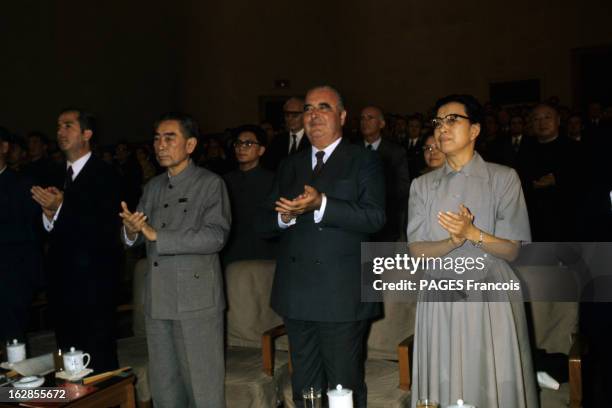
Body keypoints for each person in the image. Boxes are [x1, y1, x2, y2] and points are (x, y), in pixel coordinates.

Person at [257, 86, 385, 407]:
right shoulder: (290, 164)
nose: (313, 115)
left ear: (342, 116)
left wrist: (322, 203)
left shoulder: (363, 160)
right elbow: (264, 224)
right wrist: (284, 217)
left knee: (343, 386)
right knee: (305, 387)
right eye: (308, 109)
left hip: (342, 293)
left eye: (323, 108)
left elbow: (375, 217)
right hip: (296, 292)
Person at [407, 94, 537, 408]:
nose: (442, 128)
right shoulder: (421, 186)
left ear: (475, 130)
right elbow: (417, 250)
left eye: (453, 119)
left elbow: (511, 250)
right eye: (438, 122)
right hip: (440, 293)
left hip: (490, 291)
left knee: (491, 383)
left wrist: (471, 234)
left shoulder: (503, 178)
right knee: (443, 380)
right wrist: (451, 243)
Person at [120, 112, 230, 407]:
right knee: (165, 387)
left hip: (196, 302)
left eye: (170, 138)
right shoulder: (153, 186)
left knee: (203, 388)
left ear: (191, 145)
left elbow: (216, 237)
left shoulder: (210, 183)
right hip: (158, 299)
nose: (160, 145)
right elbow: (139, 235)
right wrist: (131, 232)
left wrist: (158, 237)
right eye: (156, 138)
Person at [31, 108, 122, 372]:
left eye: (68, 126)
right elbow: (43, 227)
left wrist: (61, 207)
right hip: (61, 281)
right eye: (58, 126)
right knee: (68, 359)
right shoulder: (53, 173)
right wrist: (49, 215)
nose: (60, 132)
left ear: (87, 134)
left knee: (98, 358)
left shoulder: (105, 173)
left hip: (94, 282)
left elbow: (103, 226)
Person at [0, 129, 42, 346]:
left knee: (12, 342)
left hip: (10, 279)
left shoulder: (23, 185)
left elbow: (29, 232)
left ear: (4, 147)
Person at [222, 124, 276, 266]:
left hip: (263, 254)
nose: (241, 147)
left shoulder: (273, 180)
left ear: (261, 150)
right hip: (231, 253)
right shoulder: (224, 181)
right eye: (238, 143)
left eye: (249, 143)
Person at [360, 106, 410, 242]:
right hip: (356, 222)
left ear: (382, 124)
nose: (365, 122)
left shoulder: (395, 152)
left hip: (385, 221)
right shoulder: (352, 150)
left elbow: (403, 187)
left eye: (370, 118)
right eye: (362, 118)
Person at [262, 97, 310, 171]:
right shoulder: (277, 140)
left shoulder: (312, 139)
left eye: (295, 115)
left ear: (305, 115)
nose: (290, 119)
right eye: (287, 115)